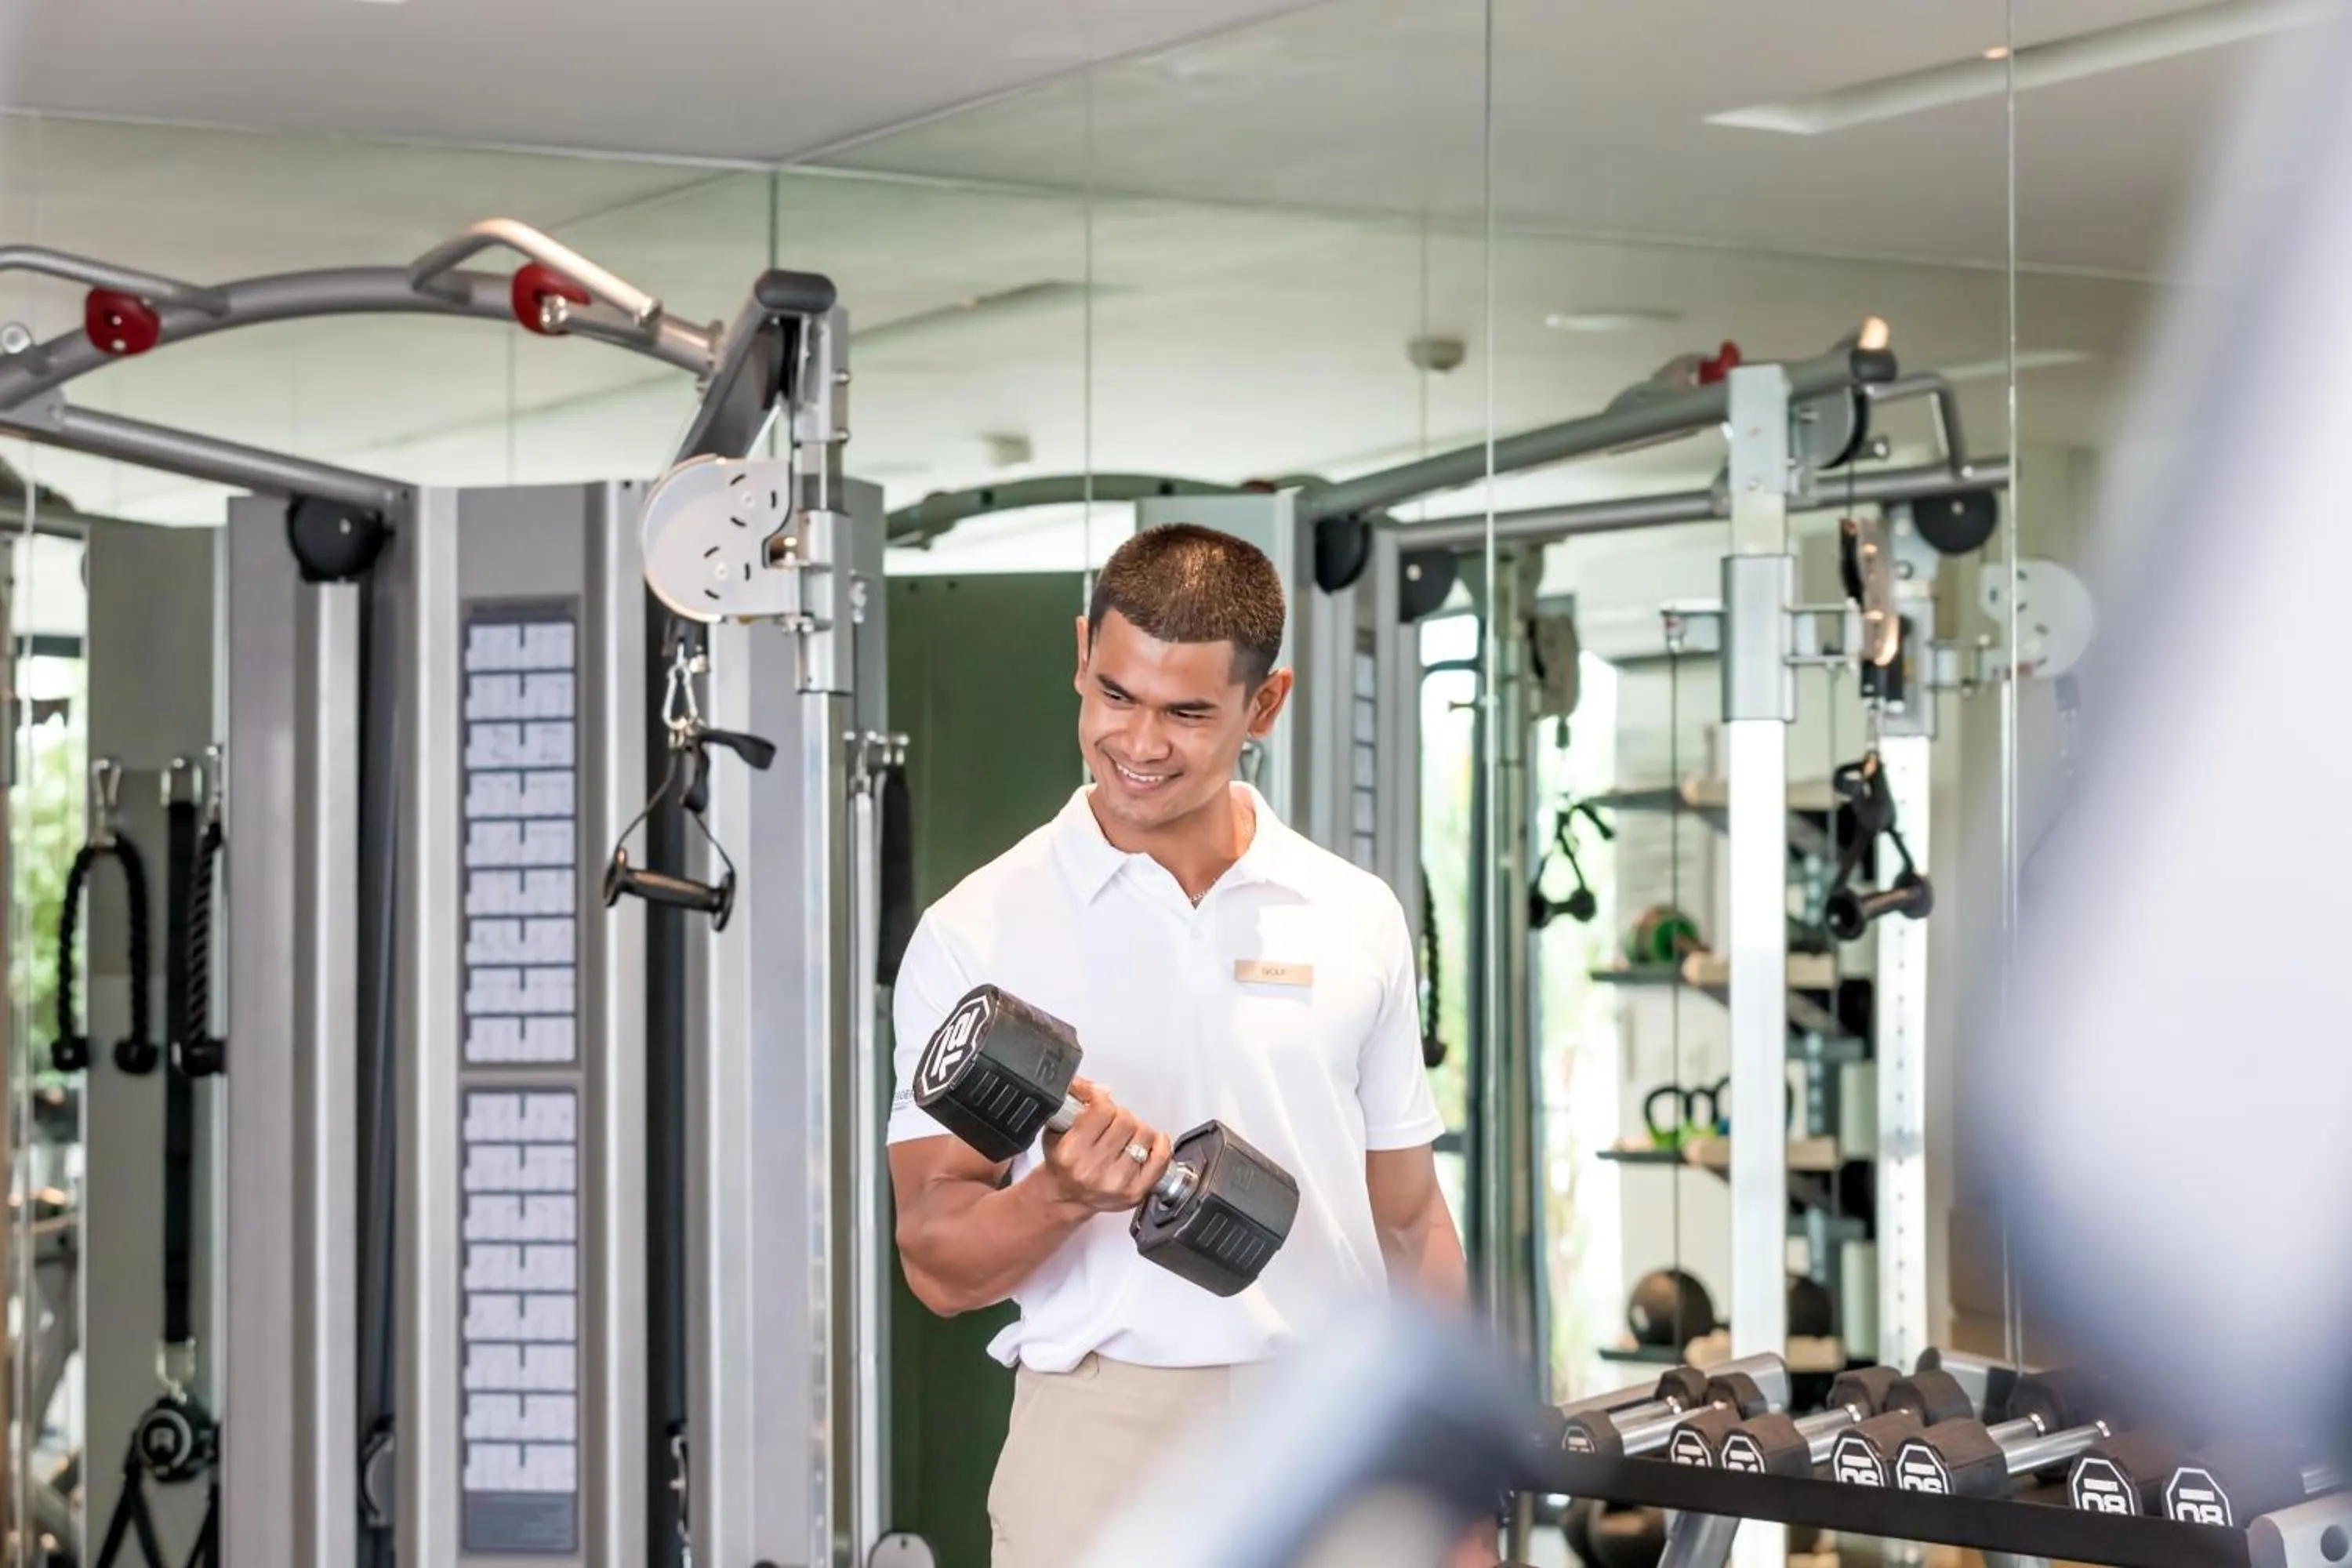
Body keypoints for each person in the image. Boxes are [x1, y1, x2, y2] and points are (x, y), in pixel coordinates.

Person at [885, 523, 1496, 1568]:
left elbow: (1407, 1217)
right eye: (1116, 695)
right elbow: (935, 1262)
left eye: (1187, 712)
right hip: (1098, 1429)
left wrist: (1460, 1498)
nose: (1140, 743)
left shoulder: (1353, 914)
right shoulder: (975, 931)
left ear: (1266, 704)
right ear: (1082, 654)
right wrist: (1058, 1196)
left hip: (1329, 1424)